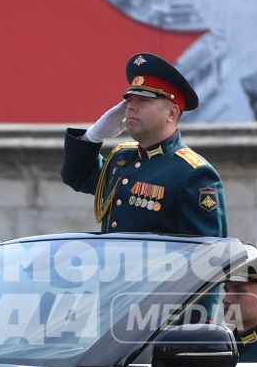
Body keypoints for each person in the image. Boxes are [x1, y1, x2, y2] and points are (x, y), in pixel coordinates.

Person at [60, 52, 227, 237]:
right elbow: (76, 176)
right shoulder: (122, 158)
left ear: (171, 114)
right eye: (129, 100)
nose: (131, 106)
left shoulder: (193, 173)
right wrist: (93, 136)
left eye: (143, 100)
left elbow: (205, 253)